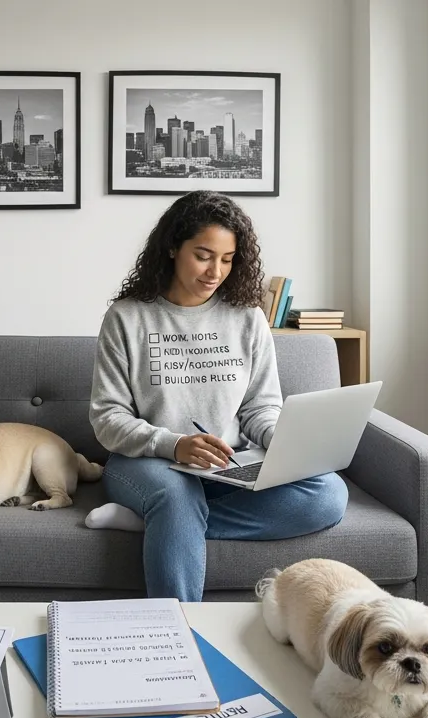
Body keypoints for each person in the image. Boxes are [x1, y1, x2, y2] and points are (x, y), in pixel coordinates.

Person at [89, 190, 349, 602]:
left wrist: (279, 439)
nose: (216, 271)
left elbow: (261, 407)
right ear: (173, 247)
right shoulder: (127, 317)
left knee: (328, 494)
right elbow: (108, 418)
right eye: (204, 255)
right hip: (150, 463)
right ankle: (176, 632)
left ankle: (157, 522)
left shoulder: (248, 319)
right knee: (174, 496)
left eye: (227, 260)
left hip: (227, 465)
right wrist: (174, 445)